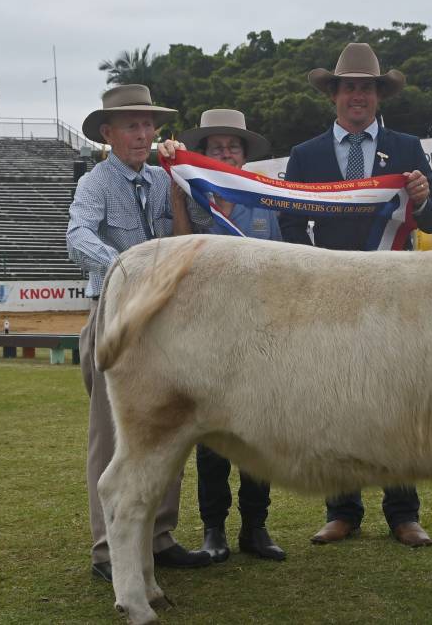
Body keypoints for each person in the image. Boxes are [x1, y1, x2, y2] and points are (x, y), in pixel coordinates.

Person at [279, 42, 432, 548]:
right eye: (348, 86)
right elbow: (288, 219)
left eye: (366, 87)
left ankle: (403, 512)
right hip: (330, 297)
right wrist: (310, 268)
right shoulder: (305, 155)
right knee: (335, 401)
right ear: (334, 94)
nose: (357, 95)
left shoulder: (409, 148)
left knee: (398, 400)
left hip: (394, 294)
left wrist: (422, 198)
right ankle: (342, 509)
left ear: (378, 94)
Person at [66, 84, 215, 582]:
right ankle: (109, 548)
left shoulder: (163, 177)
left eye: (149, 125)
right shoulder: (94, 183)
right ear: (107, 134)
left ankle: (159, 535)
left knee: (168, 427)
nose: (143, 133)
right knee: (113, 437)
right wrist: (125, 266)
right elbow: (77, 235)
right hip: (114, 315)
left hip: (163, 321)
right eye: (132, 125)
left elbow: (199, 228)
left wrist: (188, 177)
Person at [175, 109, 285, 562]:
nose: (225, 154)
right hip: (207, 335)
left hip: (258, 333)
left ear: (244, 155)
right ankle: (213, 529)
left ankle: (255, 528)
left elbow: (283, 263)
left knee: (259, 435)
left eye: (232, 147)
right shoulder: (187, 196)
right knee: (212, 437)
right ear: (202, 154)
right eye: (216, 147)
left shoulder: (265, 199)